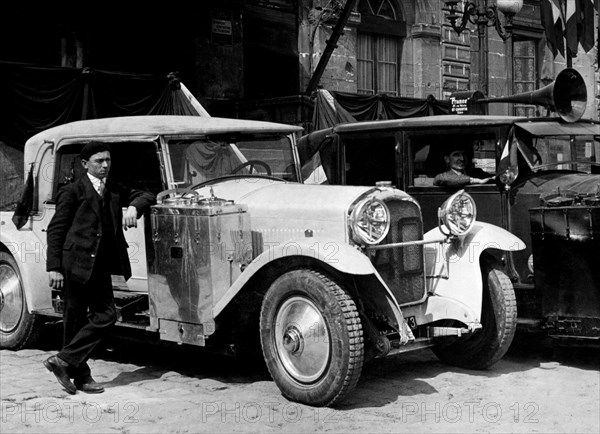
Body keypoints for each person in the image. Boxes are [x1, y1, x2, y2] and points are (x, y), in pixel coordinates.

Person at [44, 142, 156, 394]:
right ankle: (82, 376)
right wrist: (54, 267)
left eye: (107, 160)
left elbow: (147, 195)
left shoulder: (115, 189)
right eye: (98, 161)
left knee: (106, 316)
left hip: (100, 266)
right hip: (74, 265)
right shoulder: (71, 191)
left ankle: (62, 361)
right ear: (85, 164)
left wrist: (135, 207)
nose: (105, 165)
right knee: (73, 320)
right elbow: (56, 230)